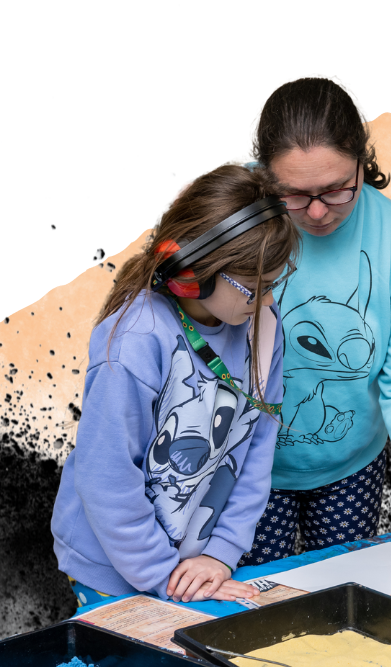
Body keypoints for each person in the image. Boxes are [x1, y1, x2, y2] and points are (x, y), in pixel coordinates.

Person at [237, 74, 391, 567]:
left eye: (338, 189)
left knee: (338, 601)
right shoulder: (228, 221)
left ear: (363, 162)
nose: (318, 212)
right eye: (294, 194)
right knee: (246, 608)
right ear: (262, 175)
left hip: (350, 467)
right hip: (239, 468)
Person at [51, 162, 297, 607]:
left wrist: (221, 555)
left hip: (196, 570)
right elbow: (105, 477)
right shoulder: (137, 337)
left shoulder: (263, 325)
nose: (266, 301)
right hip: (114, 568)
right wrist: (165, 577)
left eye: (273, 284)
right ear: (192, 274)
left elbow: (258, 448)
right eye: (251, 287)